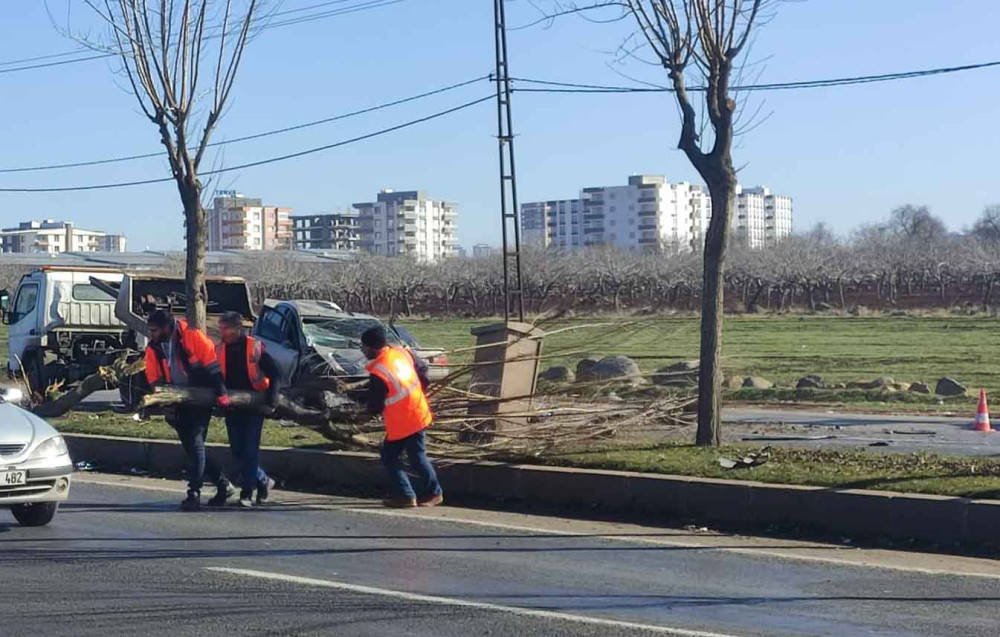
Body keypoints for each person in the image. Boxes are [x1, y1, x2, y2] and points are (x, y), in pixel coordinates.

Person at [145, 310, 233, 511]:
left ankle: (194, 493)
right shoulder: (154, 347)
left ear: (168, 327)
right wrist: (162, 398)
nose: (151, 334)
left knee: (196, 444)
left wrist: (221, 393)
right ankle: (223, 485)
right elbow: (153, 377)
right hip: (176, 402)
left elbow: (212, 367)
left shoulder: (193, 336)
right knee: (194, 449)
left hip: (201, 397)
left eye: (154, 330)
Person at [361, 326, 444, 508]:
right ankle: (408, 495)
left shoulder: (379, 372)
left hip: (405, 420)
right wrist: (419, 392)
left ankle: (431, 493)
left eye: (364, 347)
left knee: (411, 457)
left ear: (373, 348)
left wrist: (362, 415)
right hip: (416, 411)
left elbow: (375, 405)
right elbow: (422, 370)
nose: (362, 350)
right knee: (397, 455)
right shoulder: (400, 353)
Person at [216, 311, 280, 508]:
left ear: (237, 328)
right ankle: (263, 481)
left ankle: (247, 493)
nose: (222, 332)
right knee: (238, 450)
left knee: (250, 450)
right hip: (233, 407)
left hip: (255, 406)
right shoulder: (220, 350)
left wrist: (272, 400)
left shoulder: (255, 348)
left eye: (225, 328)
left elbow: (275, 373)